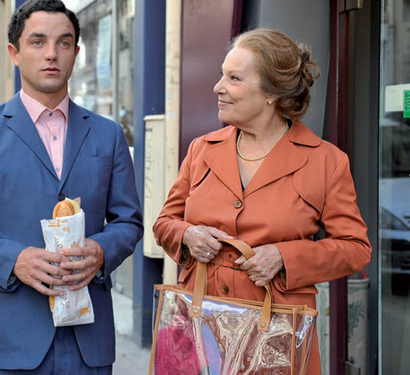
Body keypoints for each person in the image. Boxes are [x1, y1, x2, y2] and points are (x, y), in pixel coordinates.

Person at [0, 0, 143, 374]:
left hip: (88, 343)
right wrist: (14, 260)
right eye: (38, 42)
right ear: (14, 53)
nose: (52, 54)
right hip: (10, 338)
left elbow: (129, 221)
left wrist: (100, 251)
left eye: (63, 43)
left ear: (76, 53)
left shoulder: (108, 134)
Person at [153, 28, 371, 374]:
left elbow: (355, 247)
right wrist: (188, 236)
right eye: (222, 75)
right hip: (200, 324)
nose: (218, 87)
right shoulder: (201, 149)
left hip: (278, 336)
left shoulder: (326, 161)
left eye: (234, 78)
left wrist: (285, 257)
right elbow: (164, 223)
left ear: (271, 93)